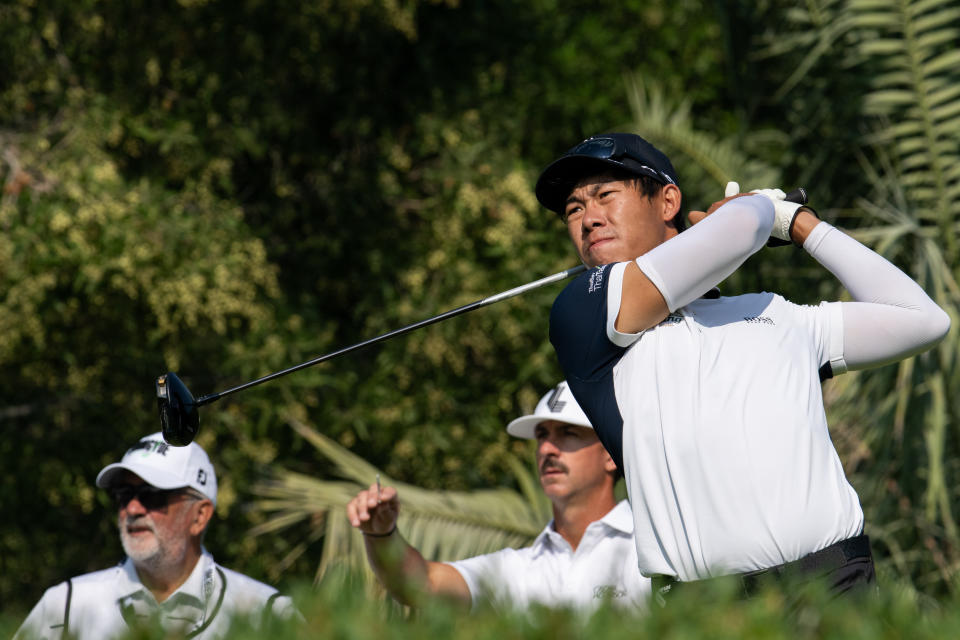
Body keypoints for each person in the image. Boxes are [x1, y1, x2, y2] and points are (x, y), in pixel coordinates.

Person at [536, 133, 951, 596]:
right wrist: (760, 210)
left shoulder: (776, 312)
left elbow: (922, 320)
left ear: (667, 200)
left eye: (605, 195)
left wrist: (800, 225)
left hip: (836, 582)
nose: (589, 218)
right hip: (711, 606)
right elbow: (740, 230)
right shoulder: (584, 315)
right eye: (574, 210)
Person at [346, 381, 650, 612]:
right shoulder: (518, 568)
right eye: (542, 436)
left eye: (568, 433)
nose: (546, 449)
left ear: (611, 453)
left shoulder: (655, 547)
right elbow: (422, 585)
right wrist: (382, 535)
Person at [16, 433, 297, 639]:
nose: (133, 508)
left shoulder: (268, 614)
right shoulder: (64, 606)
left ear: (199, 516)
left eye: (153, 496)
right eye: (124, 495)